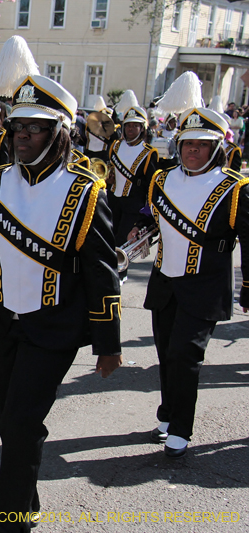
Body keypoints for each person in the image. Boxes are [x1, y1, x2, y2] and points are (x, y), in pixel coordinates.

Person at [0, 69, 122, 531]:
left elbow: (102, 273)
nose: (22, 135)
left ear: (58, 132)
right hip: (3, 321)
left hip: (54, 326)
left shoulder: (84, 189)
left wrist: (108, 342)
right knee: (12, 421)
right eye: (17, 127)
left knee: (22, 421)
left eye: (34, 127)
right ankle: (28, 499)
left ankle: (11, 520)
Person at [129, 90, 249, 459]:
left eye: (200, 145)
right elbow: (151, 214)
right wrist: (138, 229)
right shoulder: (162, 180)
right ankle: (167, 414)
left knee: (185, 355)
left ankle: (181, 428)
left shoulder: (234, 188)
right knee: (167, 353)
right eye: (186, 144)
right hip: (165, 280)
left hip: (205, 285)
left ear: (215, 148)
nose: (191, 151)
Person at [107, 104, 158, 283]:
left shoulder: (149, 152)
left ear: (142, 128)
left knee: (123, 240)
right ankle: (109, 271)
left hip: (133, 202)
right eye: (128, 125)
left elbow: (151, 183)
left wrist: (148, 210)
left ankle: (121, 273)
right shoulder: (114, 146)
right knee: (108, 236)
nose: (131, 129)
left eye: (135, 125)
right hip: (113, 199)